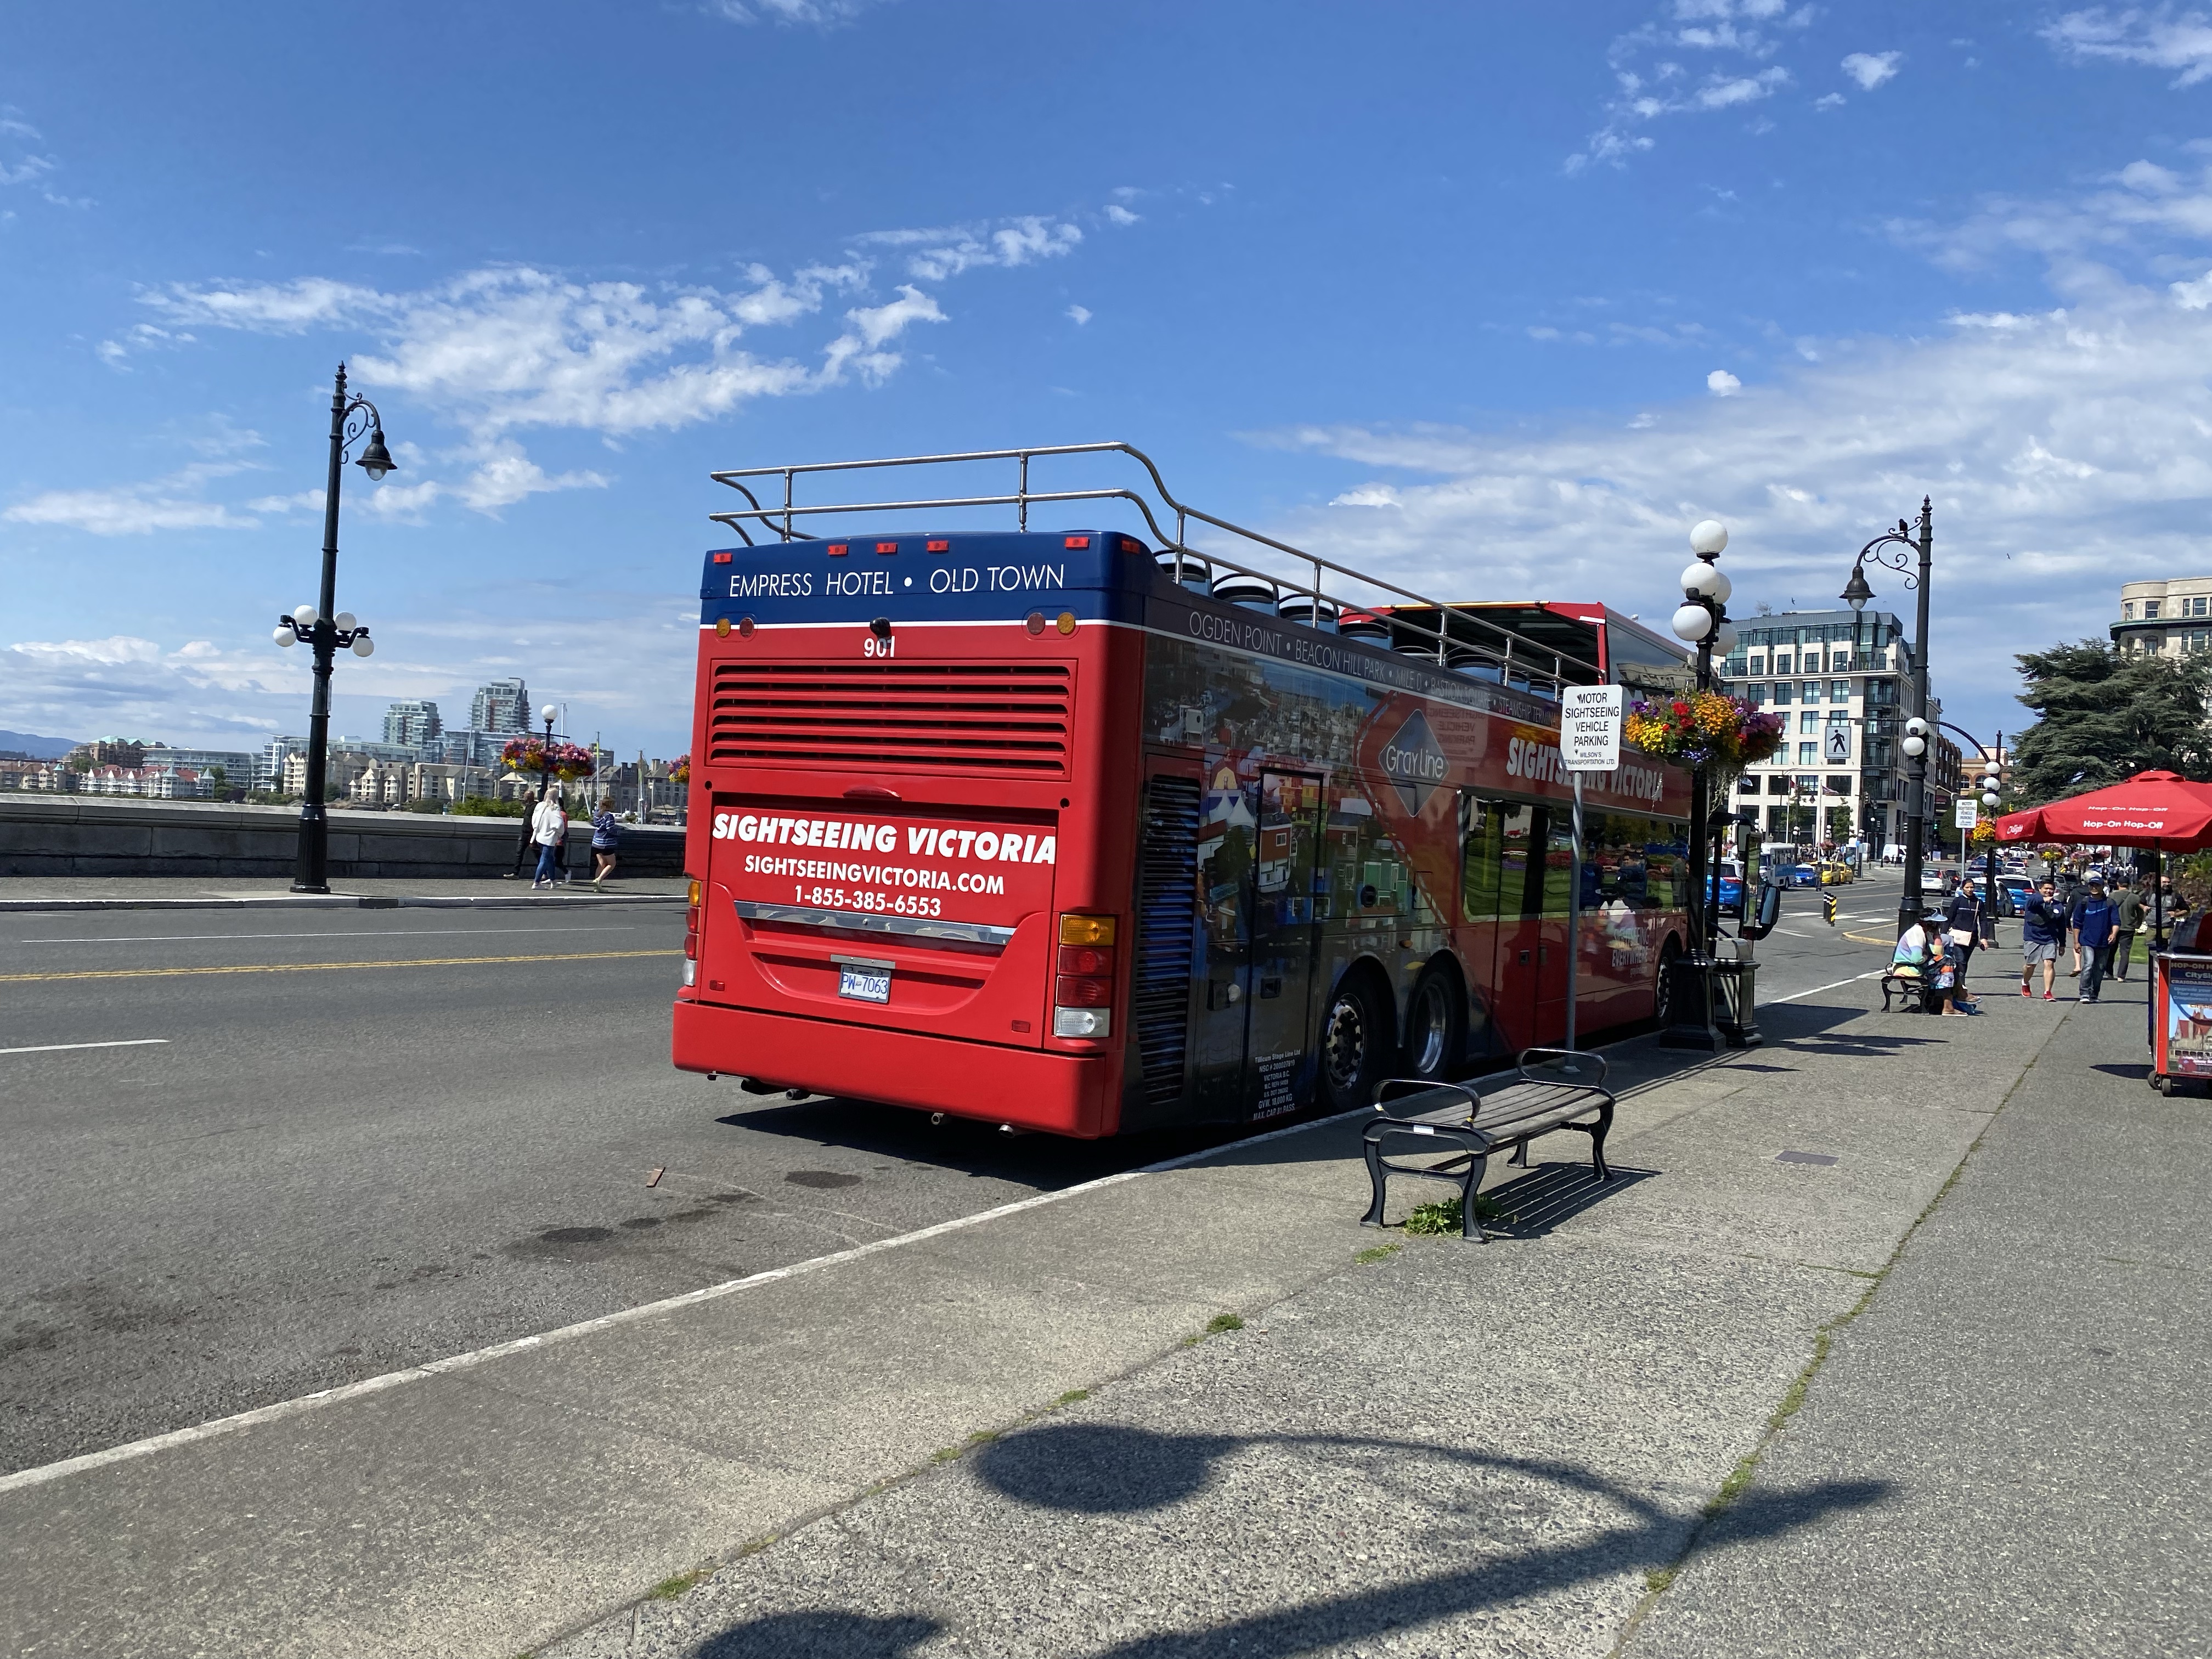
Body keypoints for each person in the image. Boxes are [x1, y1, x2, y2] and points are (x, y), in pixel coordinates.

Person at [1945, 880, 1996, 1012]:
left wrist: (1984, 938)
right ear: (1963, 888)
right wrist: (1942, 935)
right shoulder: (1958, 902)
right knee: (1960, 961)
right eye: (1967, 887)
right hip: (1957, 937)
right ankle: (1961, 989)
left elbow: (1983, 921)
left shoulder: (1979, 903)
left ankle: (1960, 986)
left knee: (1965, 963)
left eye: (1972, 887)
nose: (1970, 889)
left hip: (1971, 938)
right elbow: (1949, 918)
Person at [2074, 876, 2119, 1004]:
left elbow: (2116, 921)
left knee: (2100, 968)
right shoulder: (2084, 902)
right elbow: (2077, 924)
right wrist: (2076, 942)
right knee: (2089, 964)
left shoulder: (2109, 903)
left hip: (2104, 941)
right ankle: (2084, 993)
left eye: (2097, 885)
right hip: (2087, 940)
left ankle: (2094, 993)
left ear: (2102, 887)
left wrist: (2114, 934)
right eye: (2092, 885)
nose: (2094, 888)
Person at [2020, 878, 2066, 1001]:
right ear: (2040, 889)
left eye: (2051, 889)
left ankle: (2048, 992)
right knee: (2030, 966)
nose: (2049, 891)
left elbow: (2061, 926)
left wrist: (2062, 944)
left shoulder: (2058, 906)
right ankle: (2025, 982)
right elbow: (2030, 904)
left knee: (2049, 963)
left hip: (2050, 938)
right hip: (2033, 937)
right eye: (2046, 889)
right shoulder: (2033, 901)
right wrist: (2043, 899)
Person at [529, 791, 567, 889]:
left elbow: (534, 821)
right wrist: (559, 834)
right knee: (545, 859)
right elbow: (559, 824)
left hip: (540, 836)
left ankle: (553, 881)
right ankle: (536, 883)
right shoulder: (555, 808)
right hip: (549, 837)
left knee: (549, 859)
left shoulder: (540, 806)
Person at [2113, 875, 2146, 982]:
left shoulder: (2111, 896)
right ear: (2129, 885)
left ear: (2118, 884)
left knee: (2110, 951)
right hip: (2128, 927)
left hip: (2113, 927)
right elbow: (2140, 913)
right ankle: (2121, 975)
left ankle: (2108, 972)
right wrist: (2138, 924)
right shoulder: (2135, 898)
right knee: (2125, 952)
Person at [590, 800, 620, 886]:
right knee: (612, 864)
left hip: (596, 842)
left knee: (601, 864)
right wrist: (618, 831)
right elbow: (610, 829)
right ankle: (598, 880)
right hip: (606, 843)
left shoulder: (597, 814)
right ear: (610, 805)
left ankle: (597, 886)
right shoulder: (609, 816)